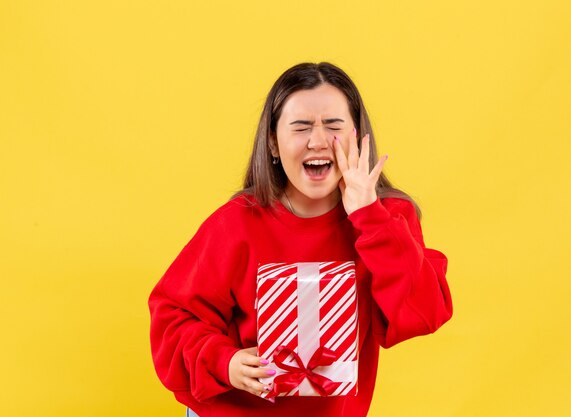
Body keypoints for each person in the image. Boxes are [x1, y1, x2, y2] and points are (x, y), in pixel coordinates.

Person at [148, 62, 453, 417]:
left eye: (334, 126)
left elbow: (424, 312)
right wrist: (225, 362)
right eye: (301, 127)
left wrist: (369, 216)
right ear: (273, 145)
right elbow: (172, 316)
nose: (319, 141)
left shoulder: (388, 218)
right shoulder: (235, 223)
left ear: (357, 136)